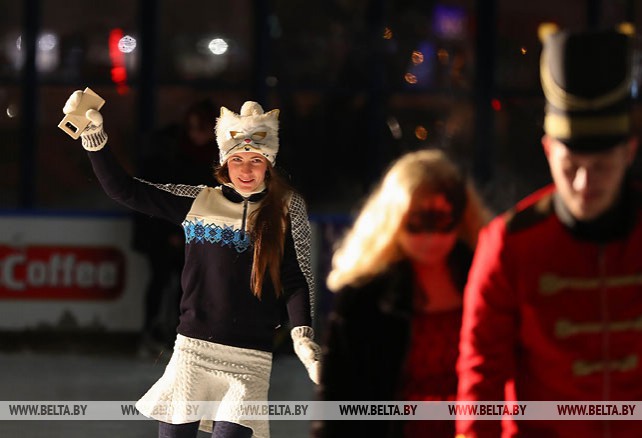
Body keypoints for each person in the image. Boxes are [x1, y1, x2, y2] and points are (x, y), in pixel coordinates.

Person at [61, 93, 321, 438]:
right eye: (238, 158)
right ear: (224, 162)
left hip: (250, 360)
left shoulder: (289, 208)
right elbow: (125, 191)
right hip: (193, 352)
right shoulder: (200, 201)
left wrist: (303, 337)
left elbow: (297, 278)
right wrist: (95, 140)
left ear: (269, 164)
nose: (246, 169)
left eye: (256, 160)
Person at [456, 23, 642, 438]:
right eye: (571, 166)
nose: (583, 184)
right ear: (548, 150)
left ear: (629, 152)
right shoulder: (510, 244)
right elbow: (480, 380)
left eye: (603, 167)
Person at [313, 148, 491, 437]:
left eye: (442, 220)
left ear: (461, 218)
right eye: (416, 222)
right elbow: (336, 402)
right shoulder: (363, 297)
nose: (430, 238)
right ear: (394, 220)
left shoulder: (490, 281)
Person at [132, 98, 220, 352]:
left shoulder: (213, 159)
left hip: (187, 234)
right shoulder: (171, 155)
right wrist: (172, 232)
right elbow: (163, 198)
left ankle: (176, 333)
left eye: (201, 129)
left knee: (184, 284)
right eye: (192, 128)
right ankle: (153, 332)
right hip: (160, 231)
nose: (196, 135)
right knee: (162, 279)